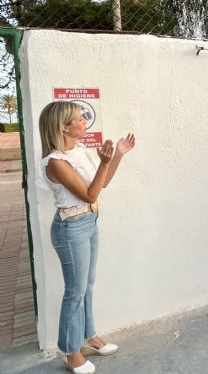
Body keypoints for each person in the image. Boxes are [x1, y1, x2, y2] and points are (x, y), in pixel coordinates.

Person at [38, 101, 135, 374]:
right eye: (79, 119)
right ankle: (71, 351)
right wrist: (104, 161)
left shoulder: (79, 151)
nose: (84, 121)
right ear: (63, 127)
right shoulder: (56, 162)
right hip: (70, 228)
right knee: (75, 292)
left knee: (87, 286)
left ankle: (89, 335)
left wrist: (116, 156)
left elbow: (101, 184)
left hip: (90, 221)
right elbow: (90, 195)